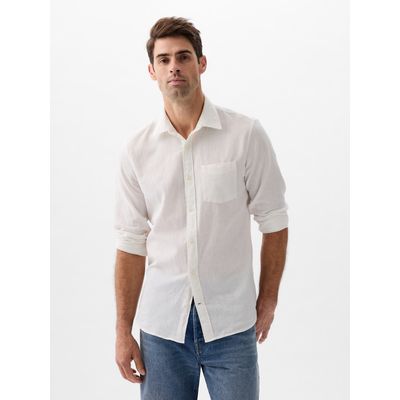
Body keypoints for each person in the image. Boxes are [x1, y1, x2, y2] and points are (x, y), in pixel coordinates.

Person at [114, 16, 289, 400]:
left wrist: (269, 299)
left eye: (183, 56)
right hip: (162, 330)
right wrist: (122, 330)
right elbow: (130, 242)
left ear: (201, 63)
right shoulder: (137, 151)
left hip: (231, 326)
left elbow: (274, 220)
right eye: (163, 60)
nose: (173, 66)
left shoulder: (244, 135)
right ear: (152, 71)